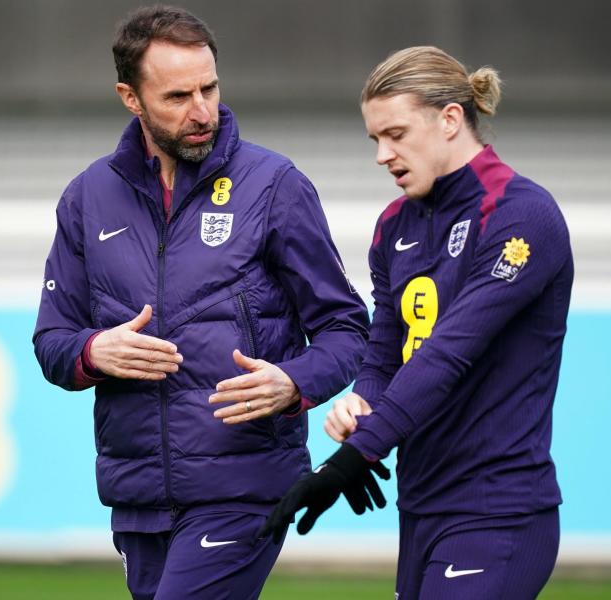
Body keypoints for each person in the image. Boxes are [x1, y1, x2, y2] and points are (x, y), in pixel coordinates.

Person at [32, 7, 369, 599]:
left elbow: (347, 328)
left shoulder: (274, 185)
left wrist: (292, 383)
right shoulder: (88, 197)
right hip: (138, 498)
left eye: (210, 88)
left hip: (243, 486)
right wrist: (94, 349)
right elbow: (52, 343)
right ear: (129, 98)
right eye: (178, 95)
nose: (202, 111)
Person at [260, 46, 574, 599]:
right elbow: (385, 351)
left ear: (450, 119)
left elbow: (448, 352)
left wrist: (354, 457)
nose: (383, 154)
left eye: (397, 134)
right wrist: (365, 403)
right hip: (422, 505)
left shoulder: (521, 215)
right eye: (375, 139)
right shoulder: (393, 226)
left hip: (498, 510)